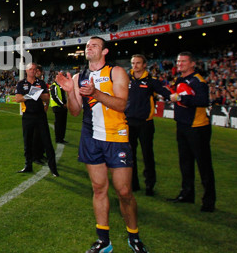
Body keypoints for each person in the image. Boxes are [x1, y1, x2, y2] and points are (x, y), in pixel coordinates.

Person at [56, 36, 148, 253]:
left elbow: (122, 104)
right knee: (98, 189)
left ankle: (133, 236)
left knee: (124, 191)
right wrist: (70, 90)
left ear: (105, 51)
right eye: (87, 46)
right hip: (91, 138)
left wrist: (96, 93)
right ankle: (104, 240)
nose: (89, 48)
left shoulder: (115, 72)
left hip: (116, 136)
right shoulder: (80, 76)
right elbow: (76, 111)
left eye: (94, 45)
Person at [167, 52, 216, 212]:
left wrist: (181, 99)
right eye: (178, 61)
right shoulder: (180, 79)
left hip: (197, 127)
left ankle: (209, 201)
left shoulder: (198, 81)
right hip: (183, 125)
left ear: (192, 63)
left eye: (183, 61)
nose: (179, 63)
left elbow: (203, 100)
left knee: (203, 165)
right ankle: (187, 194)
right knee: (185, 162)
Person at [125, 54, 170, 197]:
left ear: (144, 65)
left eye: (138, 63)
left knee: (147, 155)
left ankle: (150, 184)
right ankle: (133, 184)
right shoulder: (127, 79)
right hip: (129, 123)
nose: (135, 66)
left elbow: (167, 93)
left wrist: (180, 97)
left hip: (145, 124)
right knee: (130, 155)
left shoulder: (151, 81)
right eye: (133, 63)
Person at [15, 63, 58, 176]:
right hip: (28, 116)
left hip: (40, 116)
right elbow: (17, 98)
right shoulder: (21, 84)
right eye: (30, 69)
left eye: (34, 69)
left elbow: (47, 97)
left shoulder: (41, 83)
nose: (32, 71)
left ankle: (53, 168)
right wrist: (29, 95)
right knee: (27, 142)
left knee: (47, 141)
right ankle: (28, 165)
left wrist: (38, 94)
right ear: (26, 70)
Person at [49, 80, 69, 144]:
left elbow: (64, 96)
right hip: (57, 107)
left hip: (62, 106)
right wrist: (62, 104)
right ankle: (58, 138)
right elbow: (55, 96)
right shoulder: (54, 86)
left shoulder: (61, 86)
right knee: (58, 123)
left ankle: (61, 138)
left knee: (63, 123)